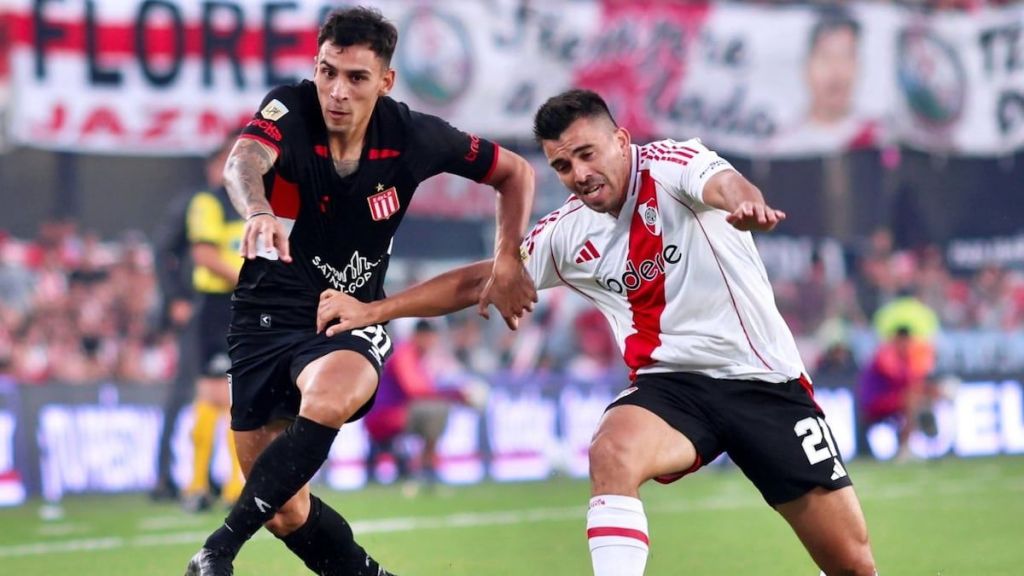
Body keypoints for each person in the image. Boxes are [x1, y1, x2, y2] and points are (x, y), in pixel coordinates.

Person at [317, 89, 877, 575]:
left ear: (621, 141)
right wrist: (376, 310)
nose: (579, 174)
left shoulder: (672, 165)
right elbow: (479, 281)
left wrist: (745, 203)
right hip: (673, 388)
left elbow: (723, 182)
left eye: (587, 153)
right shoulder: (567, 232)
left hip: (764, 384)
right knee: (611, 450)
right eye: (562, 165)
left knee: (852, 565)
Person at [185, 6, 536, 576]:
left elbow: (514, 172)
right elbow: (242, 161)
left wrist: (508, 257)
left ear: (386, 81)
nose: (337, 91)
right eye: (328, 72)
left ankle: (216, 550)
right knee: (284, 510)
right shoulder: (289, 108)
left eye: (356, 77)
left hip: (349, 312)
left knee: (328, 396)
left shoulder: (413, 136)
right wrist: (258, 209)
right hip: (262, 318)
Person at [181, 134, 246, 512]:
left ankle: (231, 485)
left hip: (244, 306)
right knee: (215, 394)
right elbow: (205, 256)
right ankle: (199, 485)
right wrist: (250, 282)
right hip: (218, 305)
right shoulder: (208, 202)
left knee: (239, 395)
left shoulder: (250, 204)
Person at [770, 7, 875, 156]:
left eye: (846, 56)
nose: (837, 71)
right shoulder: (783, 146)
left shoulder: (879, 138)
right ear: (806, 66)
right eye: (826, 57)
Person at [858, 325, 937, 461]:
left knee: (922, 397)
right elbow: (902, 379)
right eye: (904, 341)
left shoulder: (904, 358)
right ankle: (905, 447)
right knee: (912, 398)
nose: (906, 345)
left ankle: (928, 435)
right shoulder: (885, 355)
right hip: (875, 401)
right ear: (897, 340)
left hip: (892, 399)